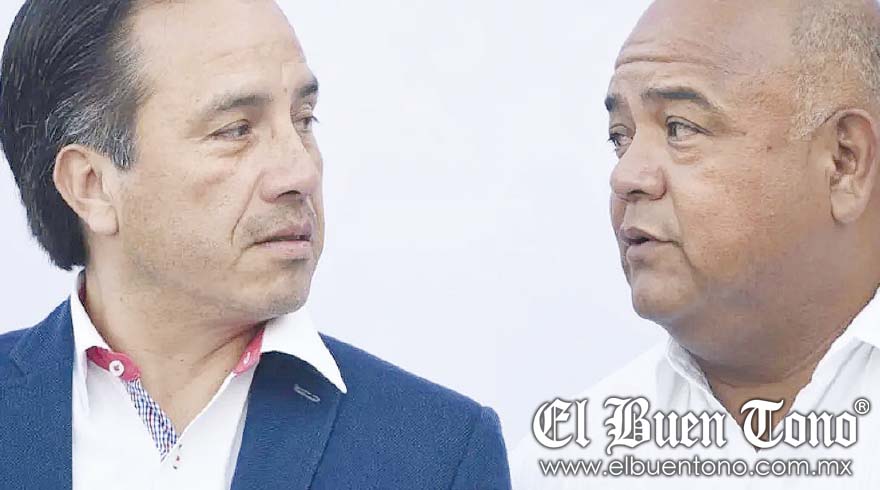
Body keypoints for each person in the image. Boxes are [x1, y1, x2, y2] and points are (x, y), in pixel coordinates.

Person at [0, 1, 511, 488]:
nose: (301, 172)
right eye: (236, 130)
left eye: (304, 120)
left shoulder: (437, 454)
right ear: (91, 185)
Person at [514, 0, 880, 488]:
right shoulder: (567, 464)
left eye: (679, 128)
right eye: (619, 138)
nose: (626, 176)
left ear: (843, 162)